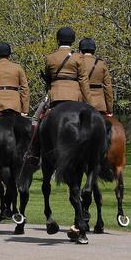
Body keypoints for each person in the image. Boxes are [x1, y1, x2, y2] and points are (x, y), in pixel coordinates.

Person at [23, 26, 91, 166]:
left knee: (36, 119)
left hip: (55, 97)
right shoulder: (78, 57)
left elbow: (48, 80)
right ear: (72, 40)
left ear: (58, 40)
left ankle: (34, 152)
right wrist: (89, 103)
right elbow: (83, 81)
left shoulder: (50, 57)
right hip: (74, 98)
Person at [79, 38, 114, 116]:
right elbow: (108, 88)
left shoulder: (77, 62)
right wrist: (109, 108)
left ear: (80, 50)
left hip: (80, 103)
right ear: (94, 50)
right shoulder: (101, 64)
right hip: (99, 105)